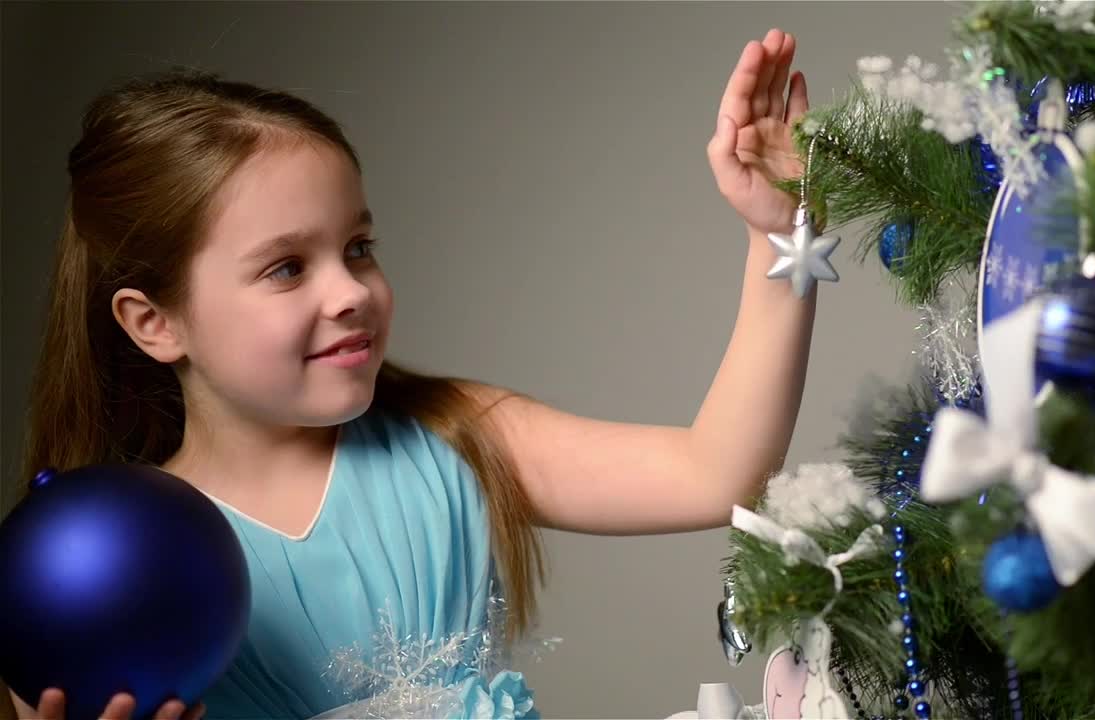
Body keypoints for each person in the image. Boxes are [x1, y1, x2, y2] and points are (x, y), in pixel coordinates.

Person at [5, 28, 817, 720]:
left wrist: (776, 236)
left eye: (358, 248)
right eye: (287, 268)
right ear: (156, 323)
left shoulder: (456, 435)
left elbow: (717, 473)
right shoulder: (98, 574)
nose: (351, 291)